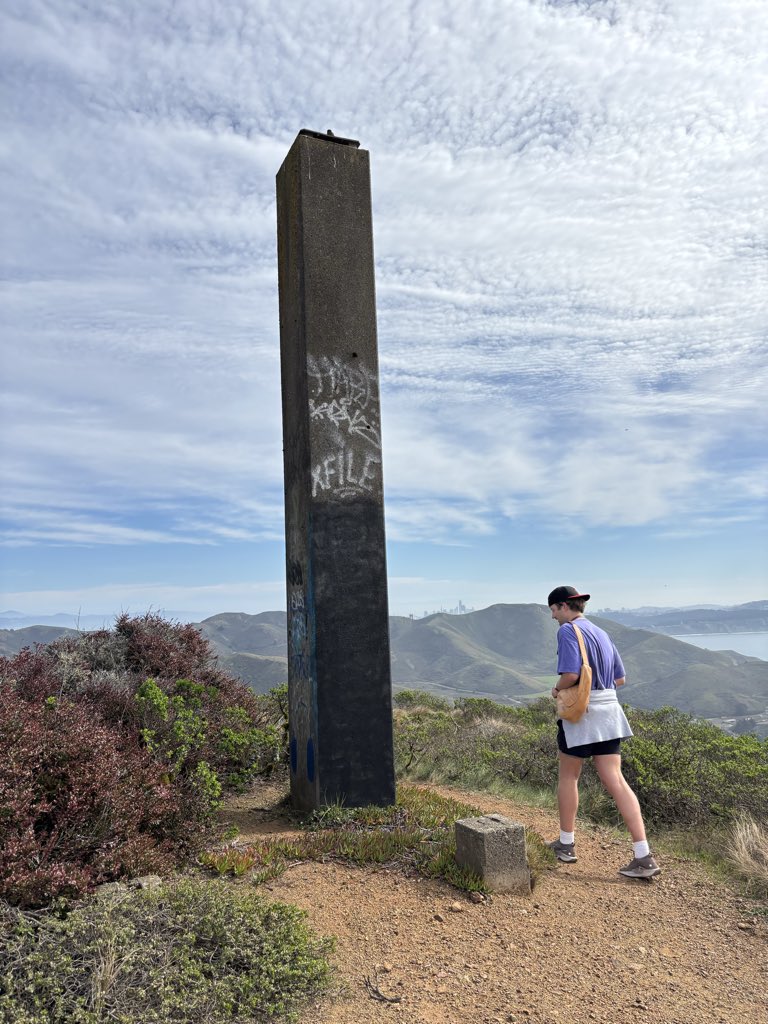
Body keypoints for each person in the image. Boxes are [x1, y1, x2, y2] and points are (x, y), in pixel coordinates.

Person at [546, 586, 660, 879]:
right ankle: (642, 855)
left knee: (569, 775)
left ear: (561, 607)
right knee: (617, 781)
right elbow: (619, 678)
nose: (553, 616)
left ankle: (566, 845)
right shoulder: (602, 633)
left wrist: (558, 689)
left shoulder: (568, 631)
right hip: (610, 713)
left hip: (582, 715)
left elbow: (571, 674)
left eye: (553, 610)